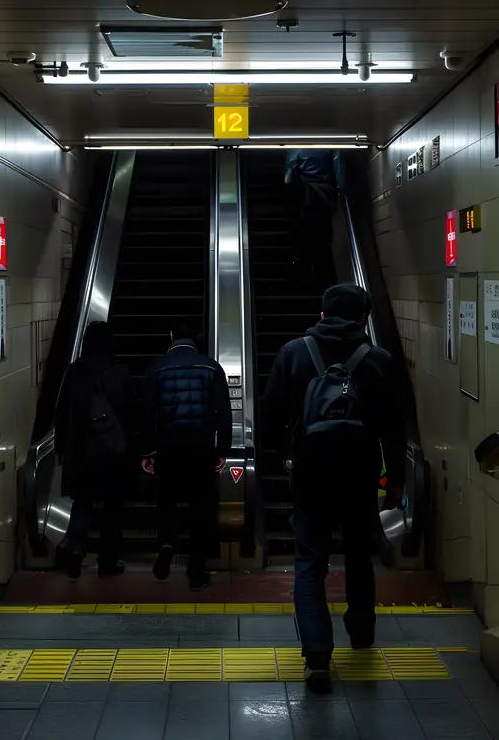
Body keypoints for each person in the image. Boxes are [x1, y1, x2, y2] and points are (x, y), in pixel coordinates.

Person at [263, 283, 406, 693]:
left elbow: (271, 414)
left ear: (322, 315)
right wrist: (394, 480)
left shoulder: (293, 353)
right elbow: (395, 429)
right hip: (360, 477)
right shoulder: (378, 360)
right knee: (360, 556)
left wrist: (279, 458)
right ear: (363, 319)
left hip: (309, 474)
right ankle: (361, 634)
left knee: (310, 562)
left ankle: (317, 658)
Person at [140, 321, 232, 590]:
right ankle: (196, 568)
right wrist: (222, 450)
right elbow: (223, 413)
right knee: (202, 507)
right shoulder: (212, 367)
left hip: (168, 447)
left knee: (167, 500)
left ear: (171, 337)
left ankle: (167, 544)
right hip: (202, 447)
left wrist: (147, 450)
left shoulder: (155, 368)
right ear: (197, 339)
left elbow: (147, 414)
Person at [54, 320, 137, 579]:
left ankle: (76, 551)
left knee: (83, 502)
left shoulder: (75, 372)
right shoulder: (120, 373)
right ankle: (108, 562)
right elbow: (132, 414)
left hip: (82, 452)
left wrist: (61, 448)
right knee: (112, 508)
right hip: (112, 453)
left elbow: (63, 413)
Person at [283, 148, 338, 291]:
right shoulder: (329, 149)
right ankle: (326, 282)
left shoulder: (295, 151)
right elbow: (339, 174)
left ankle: (304, 279)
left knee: (303, 240)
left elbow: (288, 180)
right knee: (323, 243)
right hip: (326, 197)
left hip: (306, 198)